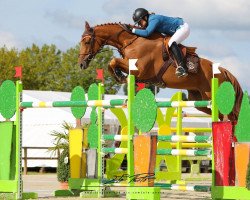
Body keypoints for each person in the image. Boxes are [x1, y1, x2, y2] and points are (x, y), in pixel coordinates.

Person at [131, 8, 190, 78]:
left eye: (140, 22)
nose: (140, 25)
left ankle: (182, 67)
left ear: (144, 17)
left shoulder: (153, 19)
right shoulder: (151, 20)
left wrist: (133, 30)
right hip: (177, 29)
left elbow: (147, 33)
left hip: (182, 27)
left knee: (171, 42)